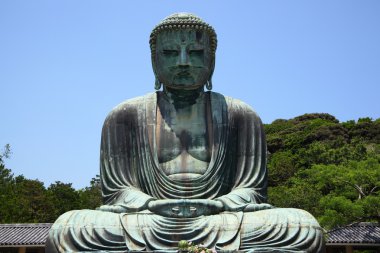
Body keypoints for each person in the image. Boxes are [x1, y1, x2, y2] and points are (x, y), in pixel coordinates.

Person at [46, 13, 325, 253]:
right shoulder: (124, 115)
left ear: (212, 60)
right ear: (154, 61)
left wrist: (216, 205)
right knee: (69, 228)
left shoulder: (240, 114)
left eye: (195, 53)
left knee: (301, 226)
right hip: (147, 220)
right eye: (169, 54)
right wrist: (152, 205)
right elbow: (118, 191)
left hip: (221, 219)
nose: (182, 62)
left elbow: (251, 190)